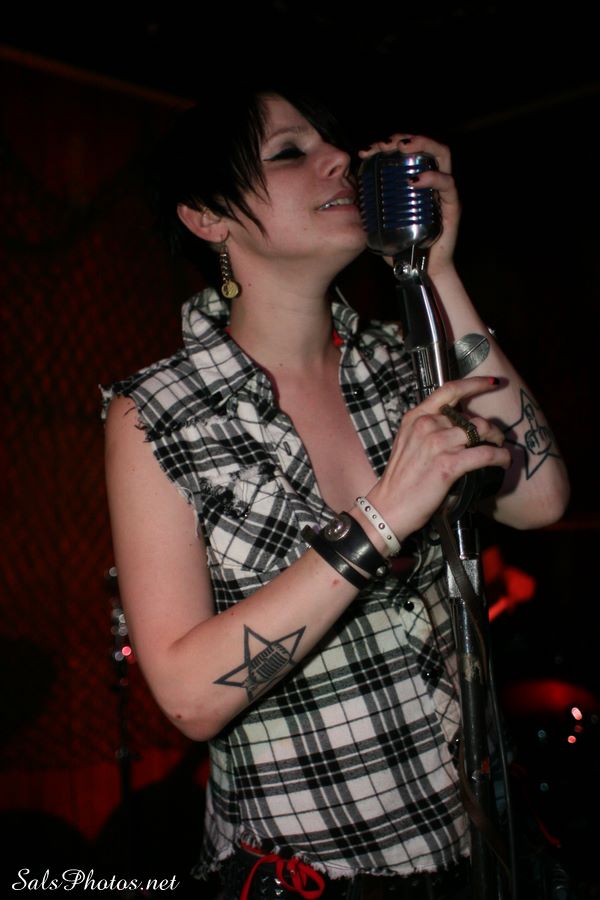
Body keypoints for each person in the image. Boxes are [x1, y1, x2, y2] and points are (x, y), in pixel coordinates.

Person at [102, 86, 570, 899]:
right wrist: (380, 520)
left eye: (332, 144)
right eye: (289, 152)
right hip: (310, 874)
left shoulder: (399, 361)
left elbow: (540, 499)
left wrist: (435, 270)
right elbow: (188, 698)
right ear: (207, 218)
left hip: (477, 848)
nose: (341, 162)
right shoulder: (160, 411)